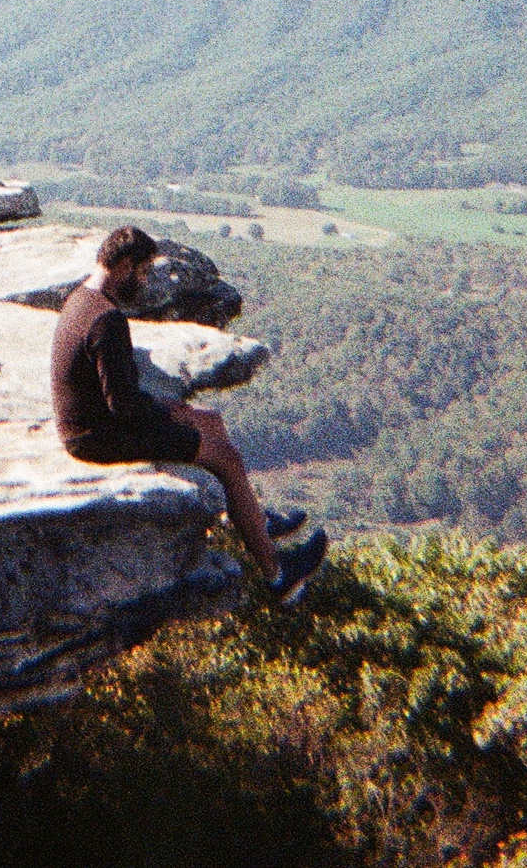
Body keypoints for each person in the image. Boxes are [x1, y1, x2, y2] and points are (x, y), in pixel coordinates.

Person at [51, 224, 328, 603]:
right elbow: (124, 407)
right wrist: (168, 415)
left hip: (94, 423)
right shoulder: (106, 319)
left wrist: (174, 411)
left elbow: (117, 396)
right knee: (225, 458)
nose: (145, 282)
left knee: (209, 419)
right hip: (98, 436)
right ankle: (279, 576)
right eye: (144, 271)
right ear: (125, 266)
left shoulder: (81, 298)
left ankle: (257, 520)